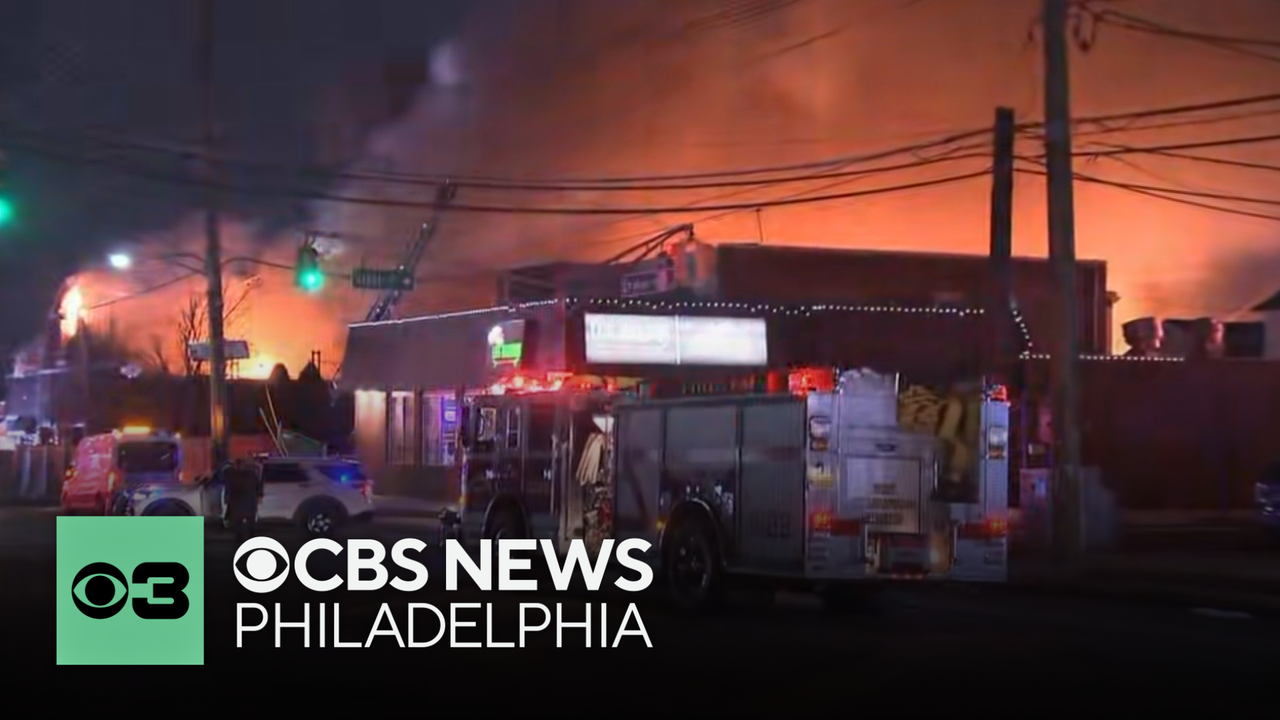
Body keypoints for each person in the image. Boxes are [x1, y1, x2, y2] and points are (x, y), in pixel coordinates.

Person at [222, 459, 263, 545]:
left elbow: (228, 488)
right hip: (248, 501)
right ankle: (249, 541)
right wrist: (259, 496)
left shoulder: (232, 475)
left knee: (239, 524)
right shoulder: (251, 474)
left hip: (238, 502)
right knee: (249, 524)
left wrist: (227, 499)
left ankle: (240, 541)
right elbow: (258, 486)